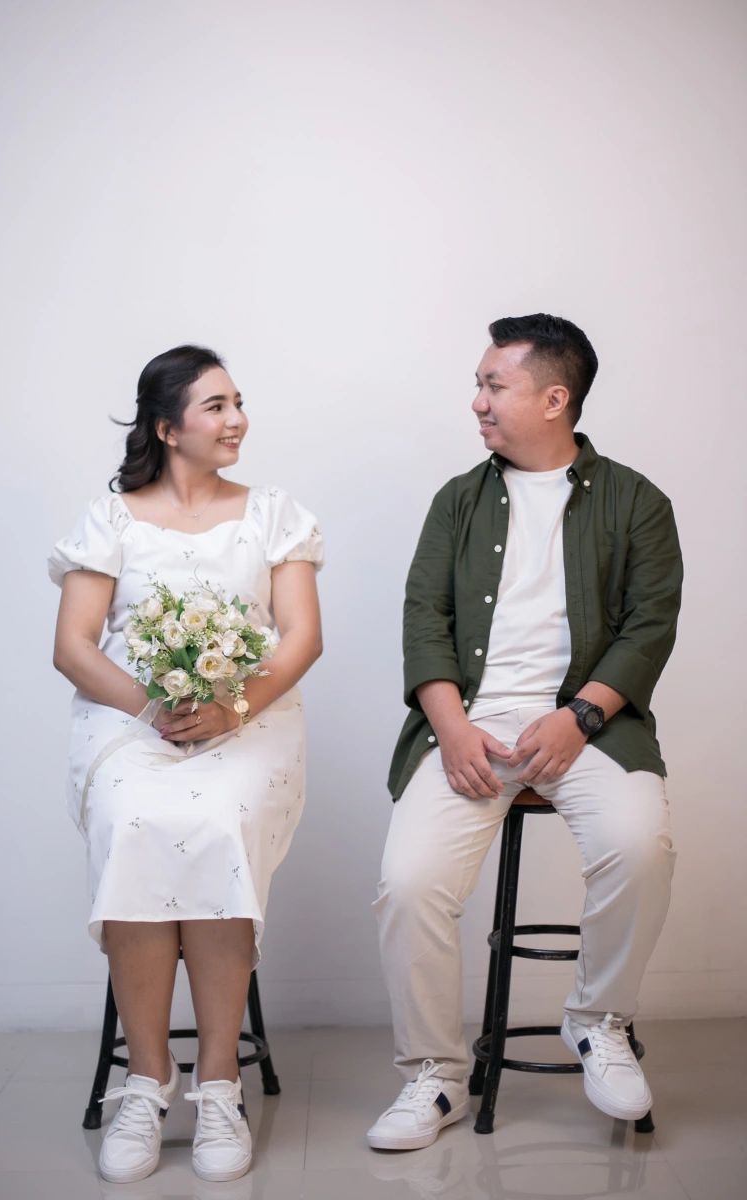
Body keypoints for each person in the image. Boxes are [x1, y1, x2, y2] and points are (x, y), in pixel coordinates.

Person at [368, 314, 681, 1151]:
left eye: (492, 385)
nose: (476, 401)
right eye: (478, 384)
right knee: (408, 883)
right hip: (467, 725)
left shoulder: (637, 502)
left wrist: (580, 718)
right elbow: (424, 619)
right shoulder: (458, 501)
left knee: (641, 846)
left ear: (554, 399)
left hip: (591, 727)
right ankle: (435, 1075)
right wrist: (451, 728)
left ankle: (598, 1021)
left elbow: (650, 626)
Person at [49, 346, 323, 1184]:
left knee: (217, 821)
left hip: (250, 719)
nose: (237, 419)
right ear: (168, 429)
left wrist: (231, 707)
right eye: (216, 406)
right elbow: (73, 646)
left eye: (238, 402)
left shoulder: (274, 514)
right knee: (137, 822)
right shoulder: (113, 519)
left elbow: (301, 638)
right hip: (133, 720)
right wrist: (152, 708)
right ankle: (146, 1083)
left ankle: (219, 1085)